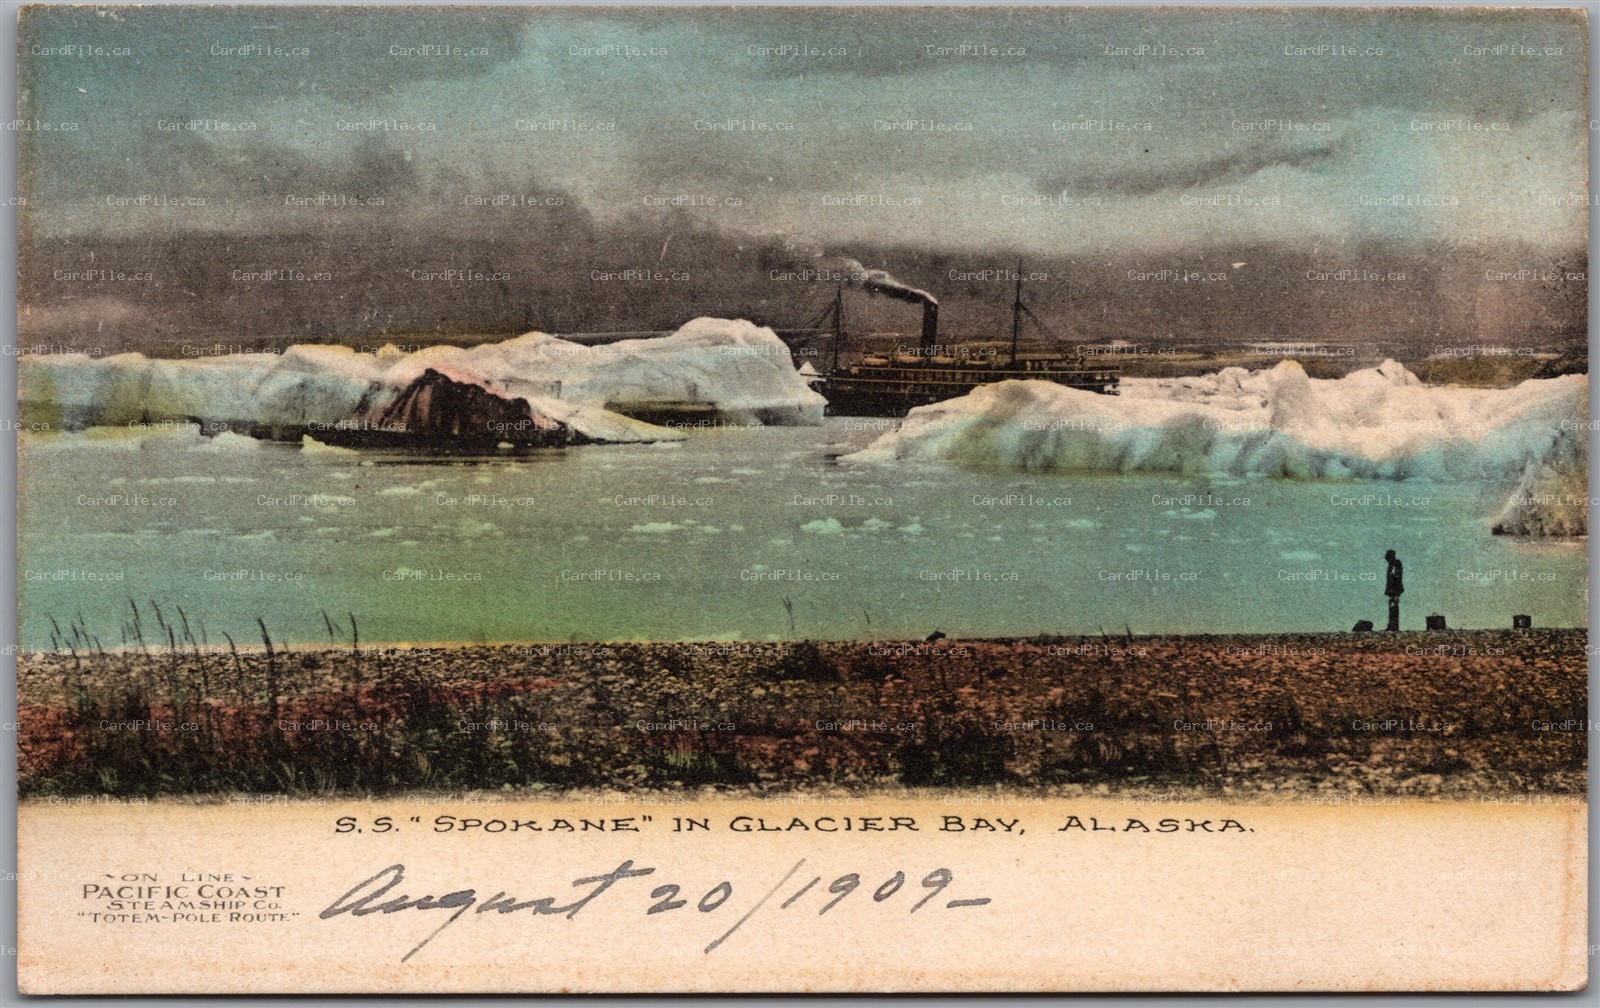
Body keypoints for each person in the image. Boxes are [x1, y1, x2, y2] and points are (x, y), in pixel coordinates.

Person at [1384, 550, 1404, 631]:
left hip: (1394, 589)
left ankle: (1393, 626)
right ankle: (1392, 625)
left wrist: (1394, 590)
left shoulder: (1395, 564)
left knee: (1393, 606)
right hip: (1394, 589)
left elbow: (1396, 577)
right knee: (1393, 606)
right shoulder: (1393, 565)